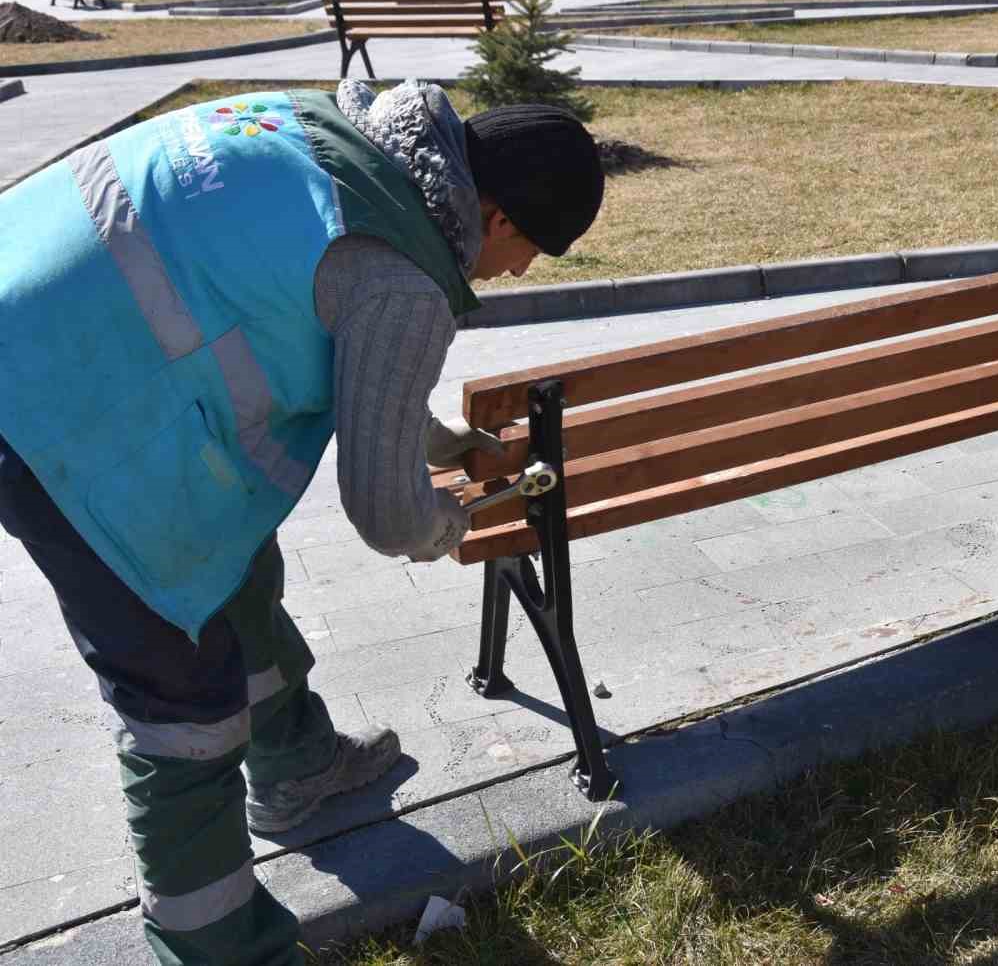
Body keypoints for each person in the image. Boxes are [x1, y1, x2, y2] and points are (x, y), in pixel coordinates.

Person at [0, 81, 605, 964]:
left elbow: (323, 306)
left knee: (233, 558)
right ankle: (221, 948)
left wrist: (430, 436)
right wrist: (447, 523)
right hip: (51, 413)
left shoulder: (334, 136)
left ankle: (295, 765)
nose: (515, 273)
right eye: (531, 252)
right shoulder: (402, 279)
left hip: (31, 293)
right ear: (498, 216)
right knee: (184, 707)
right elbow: (386, 515)